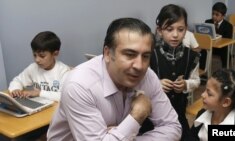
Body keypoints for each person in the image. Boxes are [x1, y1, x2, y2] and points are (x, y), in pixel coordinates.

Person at [47, 18, 182, 141]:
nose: (139, 66)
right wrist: (137, 116)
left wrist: (125, 137)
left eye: (146, 56)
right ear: (107, 53)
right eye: (130, 54)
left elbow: (173, 127)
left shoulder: (148, 77)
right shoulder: (79, 85)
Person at [148, 4, 200, 141]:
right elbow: (139, 84)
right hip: (152, 116)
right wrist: (156, 84)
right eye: (169, 29)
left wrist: (186, 84)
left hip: (179, 114)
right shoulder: (149, 55)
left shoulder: (192, 56)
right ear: (159, 30)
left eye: (180, 29)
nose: (175, 35)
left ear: (186, 30)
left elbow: (196, 81)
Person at [8, 31, 71, 102]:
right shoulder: (33, 68)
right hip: (38, 108)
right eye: (34, 55)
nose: (37, 60)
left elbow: (64, 96)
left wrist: (39, 93)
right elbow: (17, 81)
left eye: (42, 56)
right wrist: (15, 89)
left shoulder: (64, 71)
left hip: (55, 109)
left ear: (55, 54)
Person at [190, 69, 235, 141]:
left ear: (226, 102)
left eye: (209, 94)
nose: (202, 95)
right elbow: (191, 137)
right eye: (205, 89)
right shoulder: (202, 113)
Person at [199, 2, 233, 70]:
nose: (214, 16)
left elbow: (227, 40)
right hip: (210, 46)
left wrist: (217, 37)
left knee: (226, 53)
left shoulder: (228, 26)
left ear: (223, 16)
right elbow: (204, 35)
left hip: (221, 49)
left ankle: (224, 71)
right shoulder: (208, 22)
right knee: (203, 51)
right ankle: (203, 70)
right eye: (213, 14)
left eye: (217, 15)